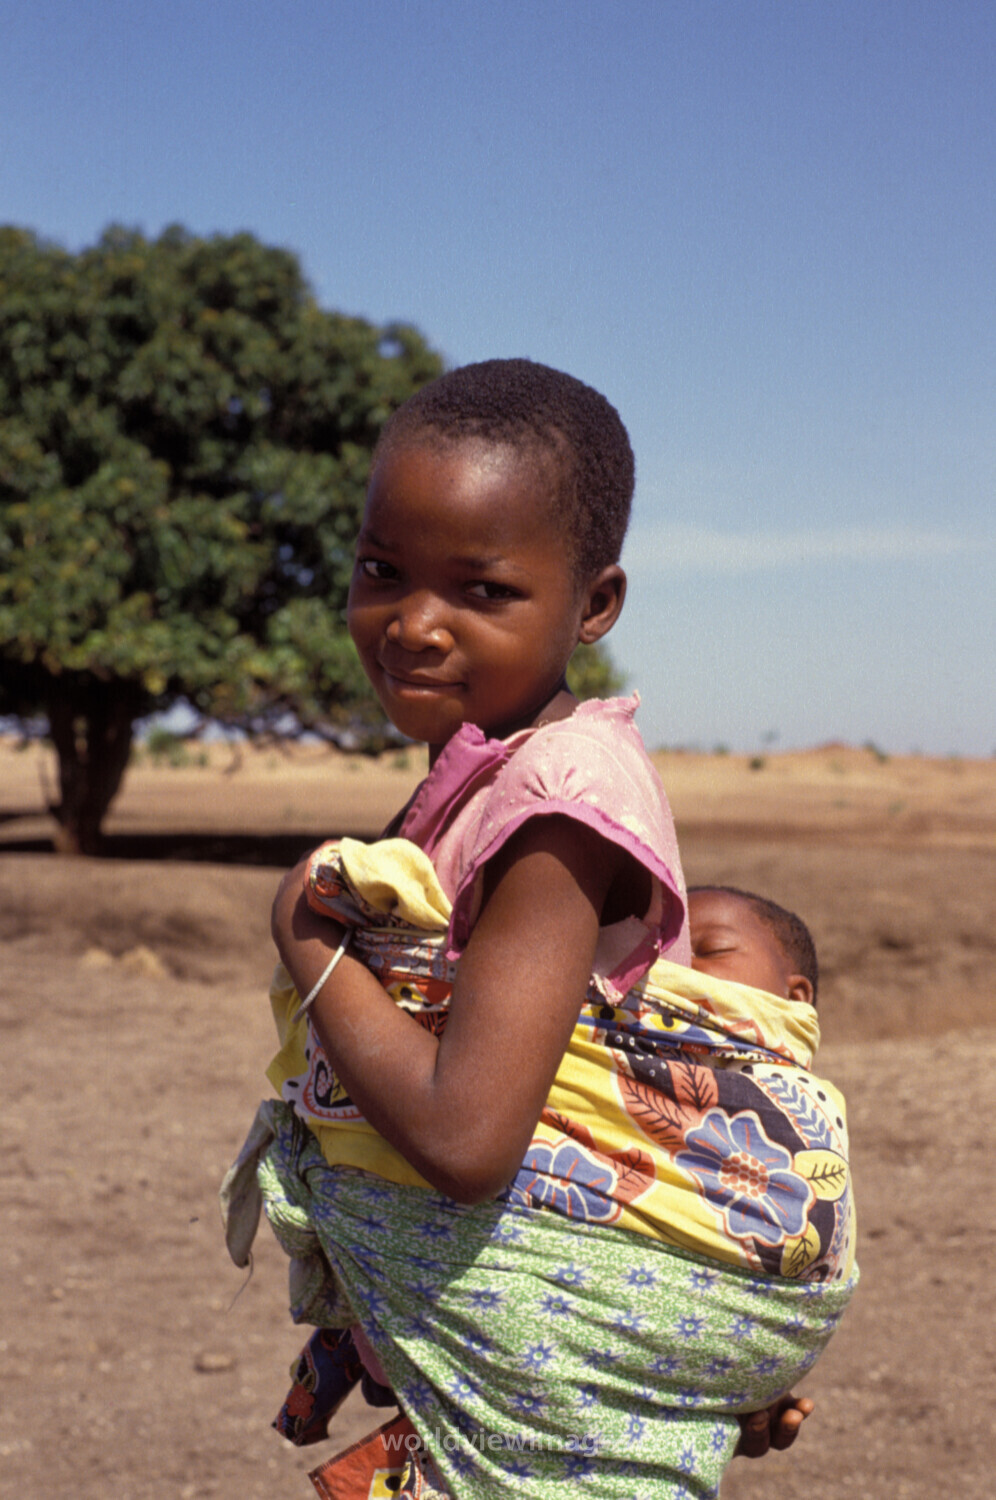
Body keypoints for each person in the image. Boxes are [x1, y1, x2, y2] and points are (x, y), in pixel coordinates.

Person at [222, 359, 856, 1498]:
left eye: (483, 590)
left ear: (593, 605)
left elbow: (469, 1142)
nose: (414, 624)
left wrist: (309, 944)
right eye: (382, 571)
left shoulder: (559, 809)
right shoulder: (498, 775)